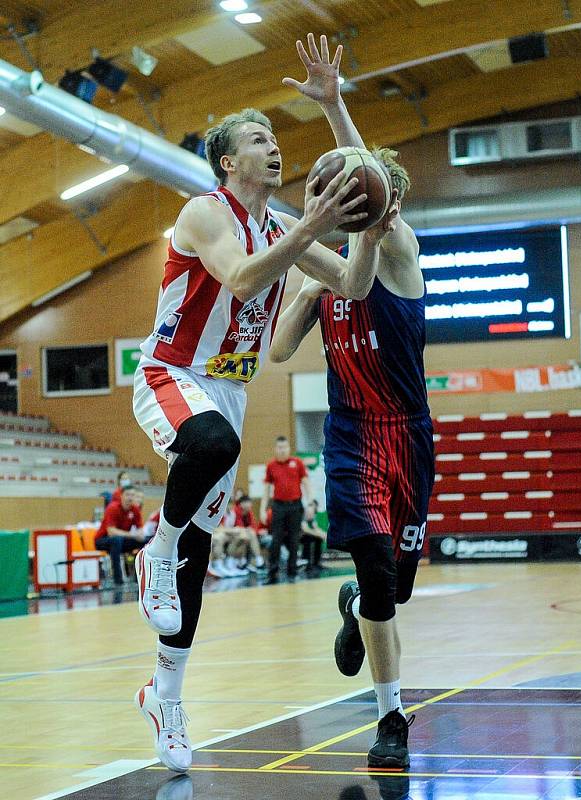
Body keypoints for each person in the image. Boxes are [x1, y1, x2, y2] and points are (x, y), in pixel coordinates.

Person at [131, 98, 393, 772]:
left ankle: (166, 695)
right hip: (173, 373)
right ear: (228, 160)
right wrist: (310, 227)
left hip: (228, 389)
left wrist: (367, 230)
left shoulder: (280, 224)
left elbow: (356, 287)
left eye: (276, 137)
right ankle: (152, 551)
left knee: (197, 554)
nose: (274, 146)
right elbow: (245, 278)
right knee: (212, 449)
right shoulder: (203, 212)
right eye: (258, 138)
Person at [270, 34, 435, 769]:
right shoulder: (321, 271)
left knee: (389, 591)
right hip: (350, 437)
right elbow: (276, 352)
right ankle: (390, 716)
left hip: (408, 436)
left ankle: (358, 610)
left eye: (371, 191)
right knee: (374, 567)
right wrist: (277, 224)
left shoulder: (397, 252)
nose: (371, 200)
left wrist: (336, 106)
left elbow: (361, 257)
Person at [259, 436, 310, 583]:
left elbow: (306, 483)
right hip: (278, 506)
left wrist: (310, 503)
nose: (282, 450)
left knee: (294, 539)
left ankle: (292, 572)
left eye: (285, 447)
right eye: (279, 448)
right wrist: (263, 509)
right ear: (276, 449)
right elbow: (266, 489)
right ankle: (272, 573)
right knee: (276, 539)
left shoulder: (297, 463)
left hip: (295, 505)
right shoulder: (271, 466)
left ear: (289, 448)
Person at [95, 485, 145, 585]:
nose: (130, 497)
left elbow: (141, 532)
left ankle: (138, 579)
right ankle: (118, 581)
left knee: (144, 542)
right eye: (127, 494)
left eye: (132, 495)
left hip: (121, 540)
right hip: (102, 540)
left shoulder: (135, 510)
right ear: (121, 496)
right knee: (116, 540)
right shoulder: (112, 508)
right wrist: (133, 535)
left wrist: (139, 536)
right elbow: (111, 532)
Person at [301, 499, 325, 574]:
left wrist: (323, 534)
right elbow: (306, 529)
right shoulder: (302, 514)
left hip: (304, 536)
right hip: (293, 537)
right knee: (308, 538)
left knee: (318, 539)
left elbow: (316, 527)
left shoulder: (312, 515)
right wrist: (319, 534)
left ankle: (316, 563)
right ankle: (306, 564)